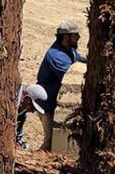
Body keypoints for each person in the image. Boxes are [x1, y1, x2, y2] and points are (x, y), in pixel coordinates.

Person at [35, 20, 87, 150]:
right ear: (66, 37)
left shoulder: (69, 49)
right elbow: (71, 74)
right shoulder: (56, 56)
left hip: (53, 100)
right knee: (51, 143)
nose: (79, 37)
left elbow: (79, 58)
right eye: (76, 35)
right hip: (47, 104)